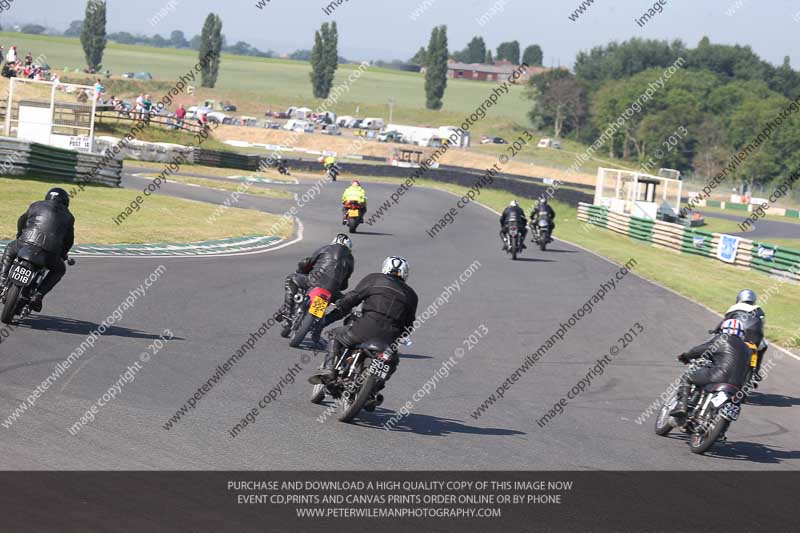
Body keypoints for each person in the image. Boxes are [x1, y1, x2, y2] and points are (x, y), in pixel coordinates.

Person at [309, 256, 418, 387]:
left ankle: (328, 369)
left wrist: (342, 305)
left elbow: (352, 297)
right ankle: (376, 389)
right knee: (393, 361)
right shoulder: (412, 295)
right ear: (405, 273)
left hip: (363, 327)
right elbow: (409, 324)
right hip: (389, 338)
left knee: (334, 334)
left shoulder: (374, 278)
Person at [0, 188, 75, 313]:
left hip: (25, 243)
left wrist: (20, 235)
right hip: (49, 252)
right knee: (60, 269)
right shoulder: (69, 217)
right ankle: (38, 295)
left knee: (9, 249)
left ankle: (2, 281)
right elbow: (69, 240)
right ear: (66, 202)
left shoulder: (36, 205)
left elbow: (21, 220)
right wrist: (62, 255)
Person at [670, 319, 752, 420]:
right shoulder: (747, 349)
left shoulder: (722, 339)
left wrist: (686, 356)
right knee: (733, 408)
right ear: (742, 333)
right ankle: (719, 431)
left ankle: (681, 406)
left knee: (688, 376)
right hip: (738, 384)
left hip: (718, 376)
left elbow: (698, 350)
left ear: (723, 329)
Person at [282, 234, 355, 346]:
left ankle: (288, 313)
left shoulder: (325, 248)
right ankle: (322, 323)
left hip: (314, 282)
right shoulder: (351, 260)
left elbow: (307, 262)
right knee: (346, 306)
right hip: (332, 291)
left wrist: (301, 269)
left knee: (291, 279)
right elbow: (344, 284)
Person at [711, 289, 767, 380]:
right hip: (755, 336)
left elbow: (724, 322)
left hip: (736, 333)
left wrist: (715, 330)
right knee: (764, 346)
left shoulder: (734, 307)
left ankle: (713, 363)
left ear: (739, 298)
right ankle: (756, 371)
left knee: (719, 341)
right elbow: (762, 323)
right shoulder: (758, 309)